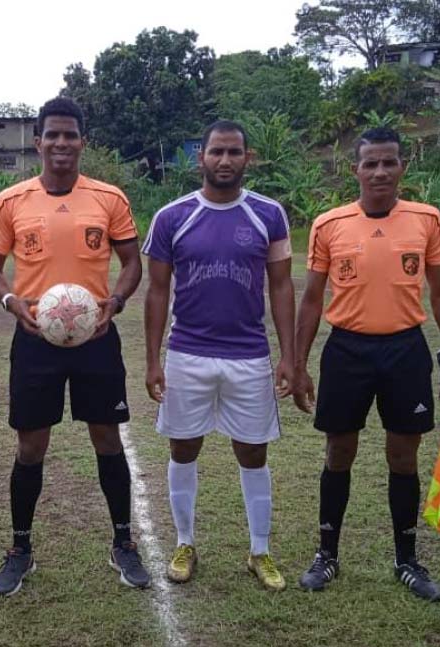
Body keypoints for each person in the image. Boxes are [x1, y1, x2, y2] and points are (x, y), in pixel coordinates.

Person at [0, 97, 147, 596]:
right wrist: (12, 302)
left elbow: (132, 262)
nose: (61, 143)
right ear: (38, 142)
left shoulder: (109, 198)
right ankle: (20, 549)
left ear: (82, 142)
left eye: (70, 135)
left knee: (107, 439)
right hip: (36, 339)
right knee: (31, 445)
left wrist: (115, 302)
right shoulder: (11, 201)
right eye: (51, 134)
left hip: (96, 337)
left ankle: (123, 542)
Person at [292, 127, 440, 602]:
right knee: (338, 451)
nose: (380, 172)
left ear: (402, 167)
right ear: (356, 170)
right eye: (371, 163)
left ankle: (406, 560)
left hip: (405, 350)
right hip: (346, 350)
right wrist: (298, 363)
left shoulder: (426, 219)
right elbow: (311, 300)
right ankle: (327, 554)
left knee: (403, 456)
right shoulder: (329, 224)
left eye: (389, 162)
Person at [143, 120, 295, 589]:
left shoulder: (269, 214)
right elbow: (157, 291)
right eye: (216, 152)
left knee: (252, 451)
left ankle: (260, 551)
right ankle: (185, 543)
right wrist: (152, 360)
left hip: (249, 356)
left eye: (234, 152)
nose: (224, 160)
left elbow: (282, 286)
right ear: (201, 158)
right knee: (183, 446)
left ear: (248, 158)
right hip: (187, 353)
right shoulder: (172, 217)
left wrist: (289, 356)